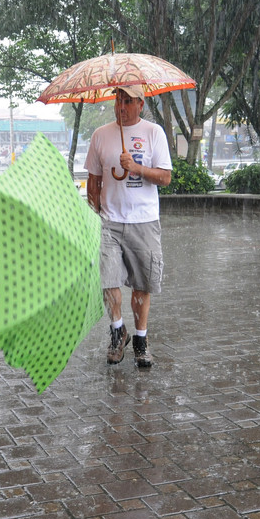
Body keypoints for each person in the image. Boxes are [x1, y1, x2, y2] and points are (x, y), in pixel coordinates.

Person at [84, 85, 172, 367]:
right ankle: (117, 330)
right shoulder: (101, 135)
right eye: (118, 100)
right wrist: (93, 213)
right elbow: (94, 180)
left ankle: (141, 340)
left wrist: (137, 168)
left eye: (128, 101)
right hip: (109, 222)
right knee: (108, 282)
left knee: (142, 286)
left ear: (140, 104)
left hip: (144, 222)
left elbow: (165, 177)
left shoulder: (153, 133)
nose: (121, 106)